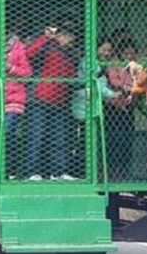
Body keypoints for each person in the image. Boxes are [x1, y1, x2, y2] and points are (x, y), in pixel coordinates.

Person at [25, 28, 77, 180]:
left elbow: (71, 75)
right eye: (68, 37)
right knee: (36, 136)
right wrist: (45, 37)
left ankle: (59, 171)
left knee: (60, 138)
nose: (70, 41)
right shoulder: (47, 47)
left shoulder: (70, 53)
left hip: (60, 100)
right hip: (40, 98)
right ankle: (32, 171)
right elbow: (30, 54)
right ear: (60, 36)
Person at [0, 33, 32, 179]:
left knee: (7, 132)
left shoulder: (19, 49)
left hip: (14, 98)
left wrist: (11, 68)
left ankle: (11, 169)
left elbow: (28, 73)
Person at [71, 42, 120, 171]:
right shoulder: (89, 61)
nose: (107, 53)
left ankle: (89, 170)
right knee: (84, 140)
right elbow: (95, 83)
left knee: (90, 140)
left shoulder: (99, 63)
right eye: (104, 50)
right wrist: (112, 94)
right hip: (84, 106)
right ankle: (81, 170)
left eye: (109, 51)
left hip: (92, 105)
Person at [104, 38, 138, 181]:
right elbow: (114, 81)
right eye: (126, 53)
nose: (129, 57)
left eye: (132, 54)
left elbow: (140, 80)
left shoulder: (136, 67)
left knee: (127, 139)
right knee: (114, 139)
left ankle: (125, 171)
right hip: (113, 107)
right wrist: (127, 87)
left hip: (128, 106)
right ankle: (112, 171)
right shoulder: (114, 64)